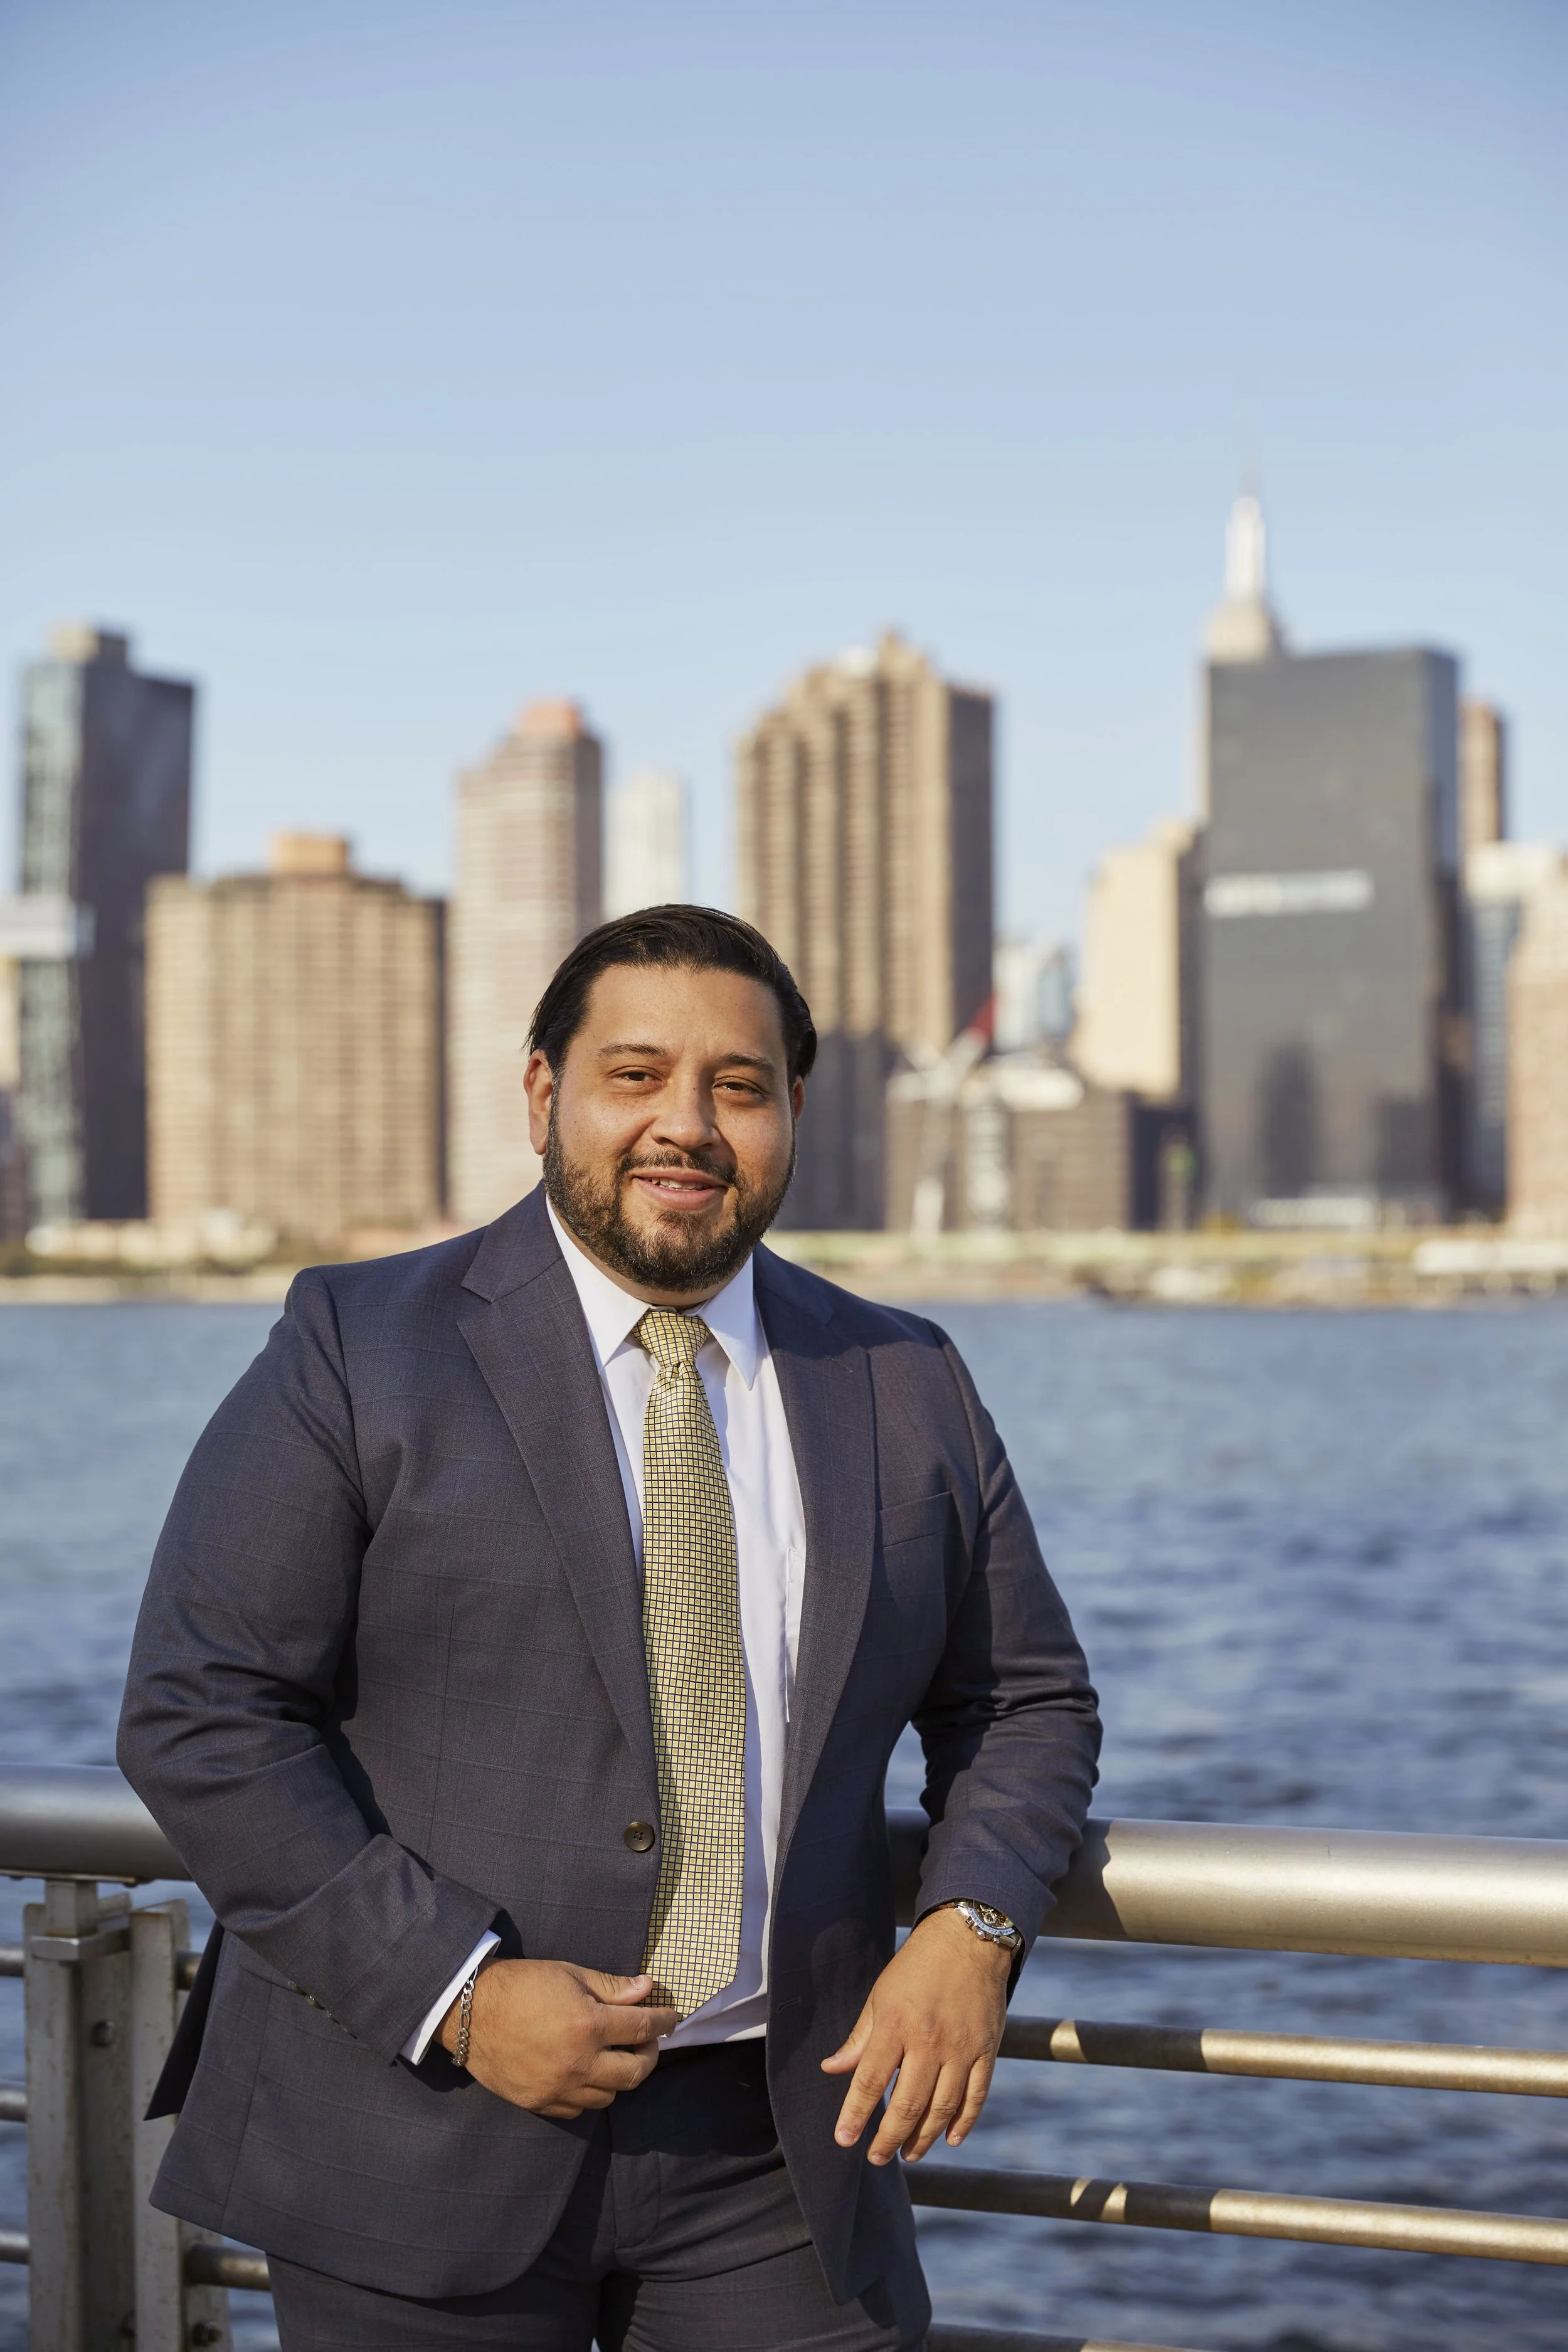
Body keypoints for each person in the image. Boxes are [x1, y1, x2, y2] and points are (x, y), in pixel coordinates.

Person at [119, 906, 1099, 2351]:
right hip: (422, 2123)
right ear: (542, 1096)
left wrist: (972, 1923)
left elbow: (1025, 1702)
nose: (684, 1126)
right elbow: (202, 1711)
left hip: (783, 2147)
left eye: (737, 1086)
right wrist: (454, 1994)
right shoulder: (357, 1344)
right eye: (634, 1075)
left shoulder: (904, 1375)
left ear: (792, 1117)